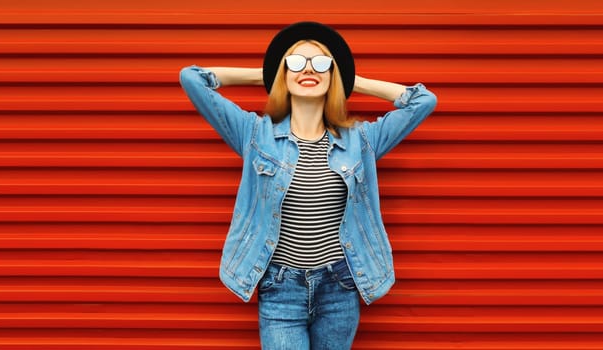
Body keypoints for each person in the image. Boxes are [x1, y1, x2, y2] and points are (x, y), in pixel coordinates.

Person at [179, 21, 437, 350]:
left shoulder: (362, 140)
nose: (308, 69)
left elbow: (422, 100)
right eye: (296, 63)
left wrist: (350, 81)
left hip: (339, 287)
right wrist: (268, 74)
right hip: (281, 288)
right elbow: (192, 78)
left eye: (321, 63)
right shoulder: (255, 134)